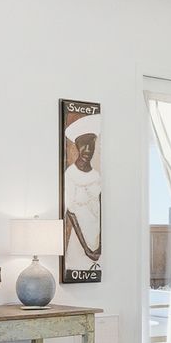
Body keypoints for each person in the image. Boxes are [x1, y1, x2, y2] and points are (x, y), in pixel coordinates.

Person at [63, 114, 102, 279]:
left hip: (95, 239)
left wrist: (100, 245)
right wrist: (86, 248)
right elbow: (70, 213)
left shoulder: (96, 175)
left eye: (91, 146)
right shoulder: (70, 174)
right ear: (77, 147)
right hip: (80, 242)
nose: (88, 151)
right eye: (84, 146)